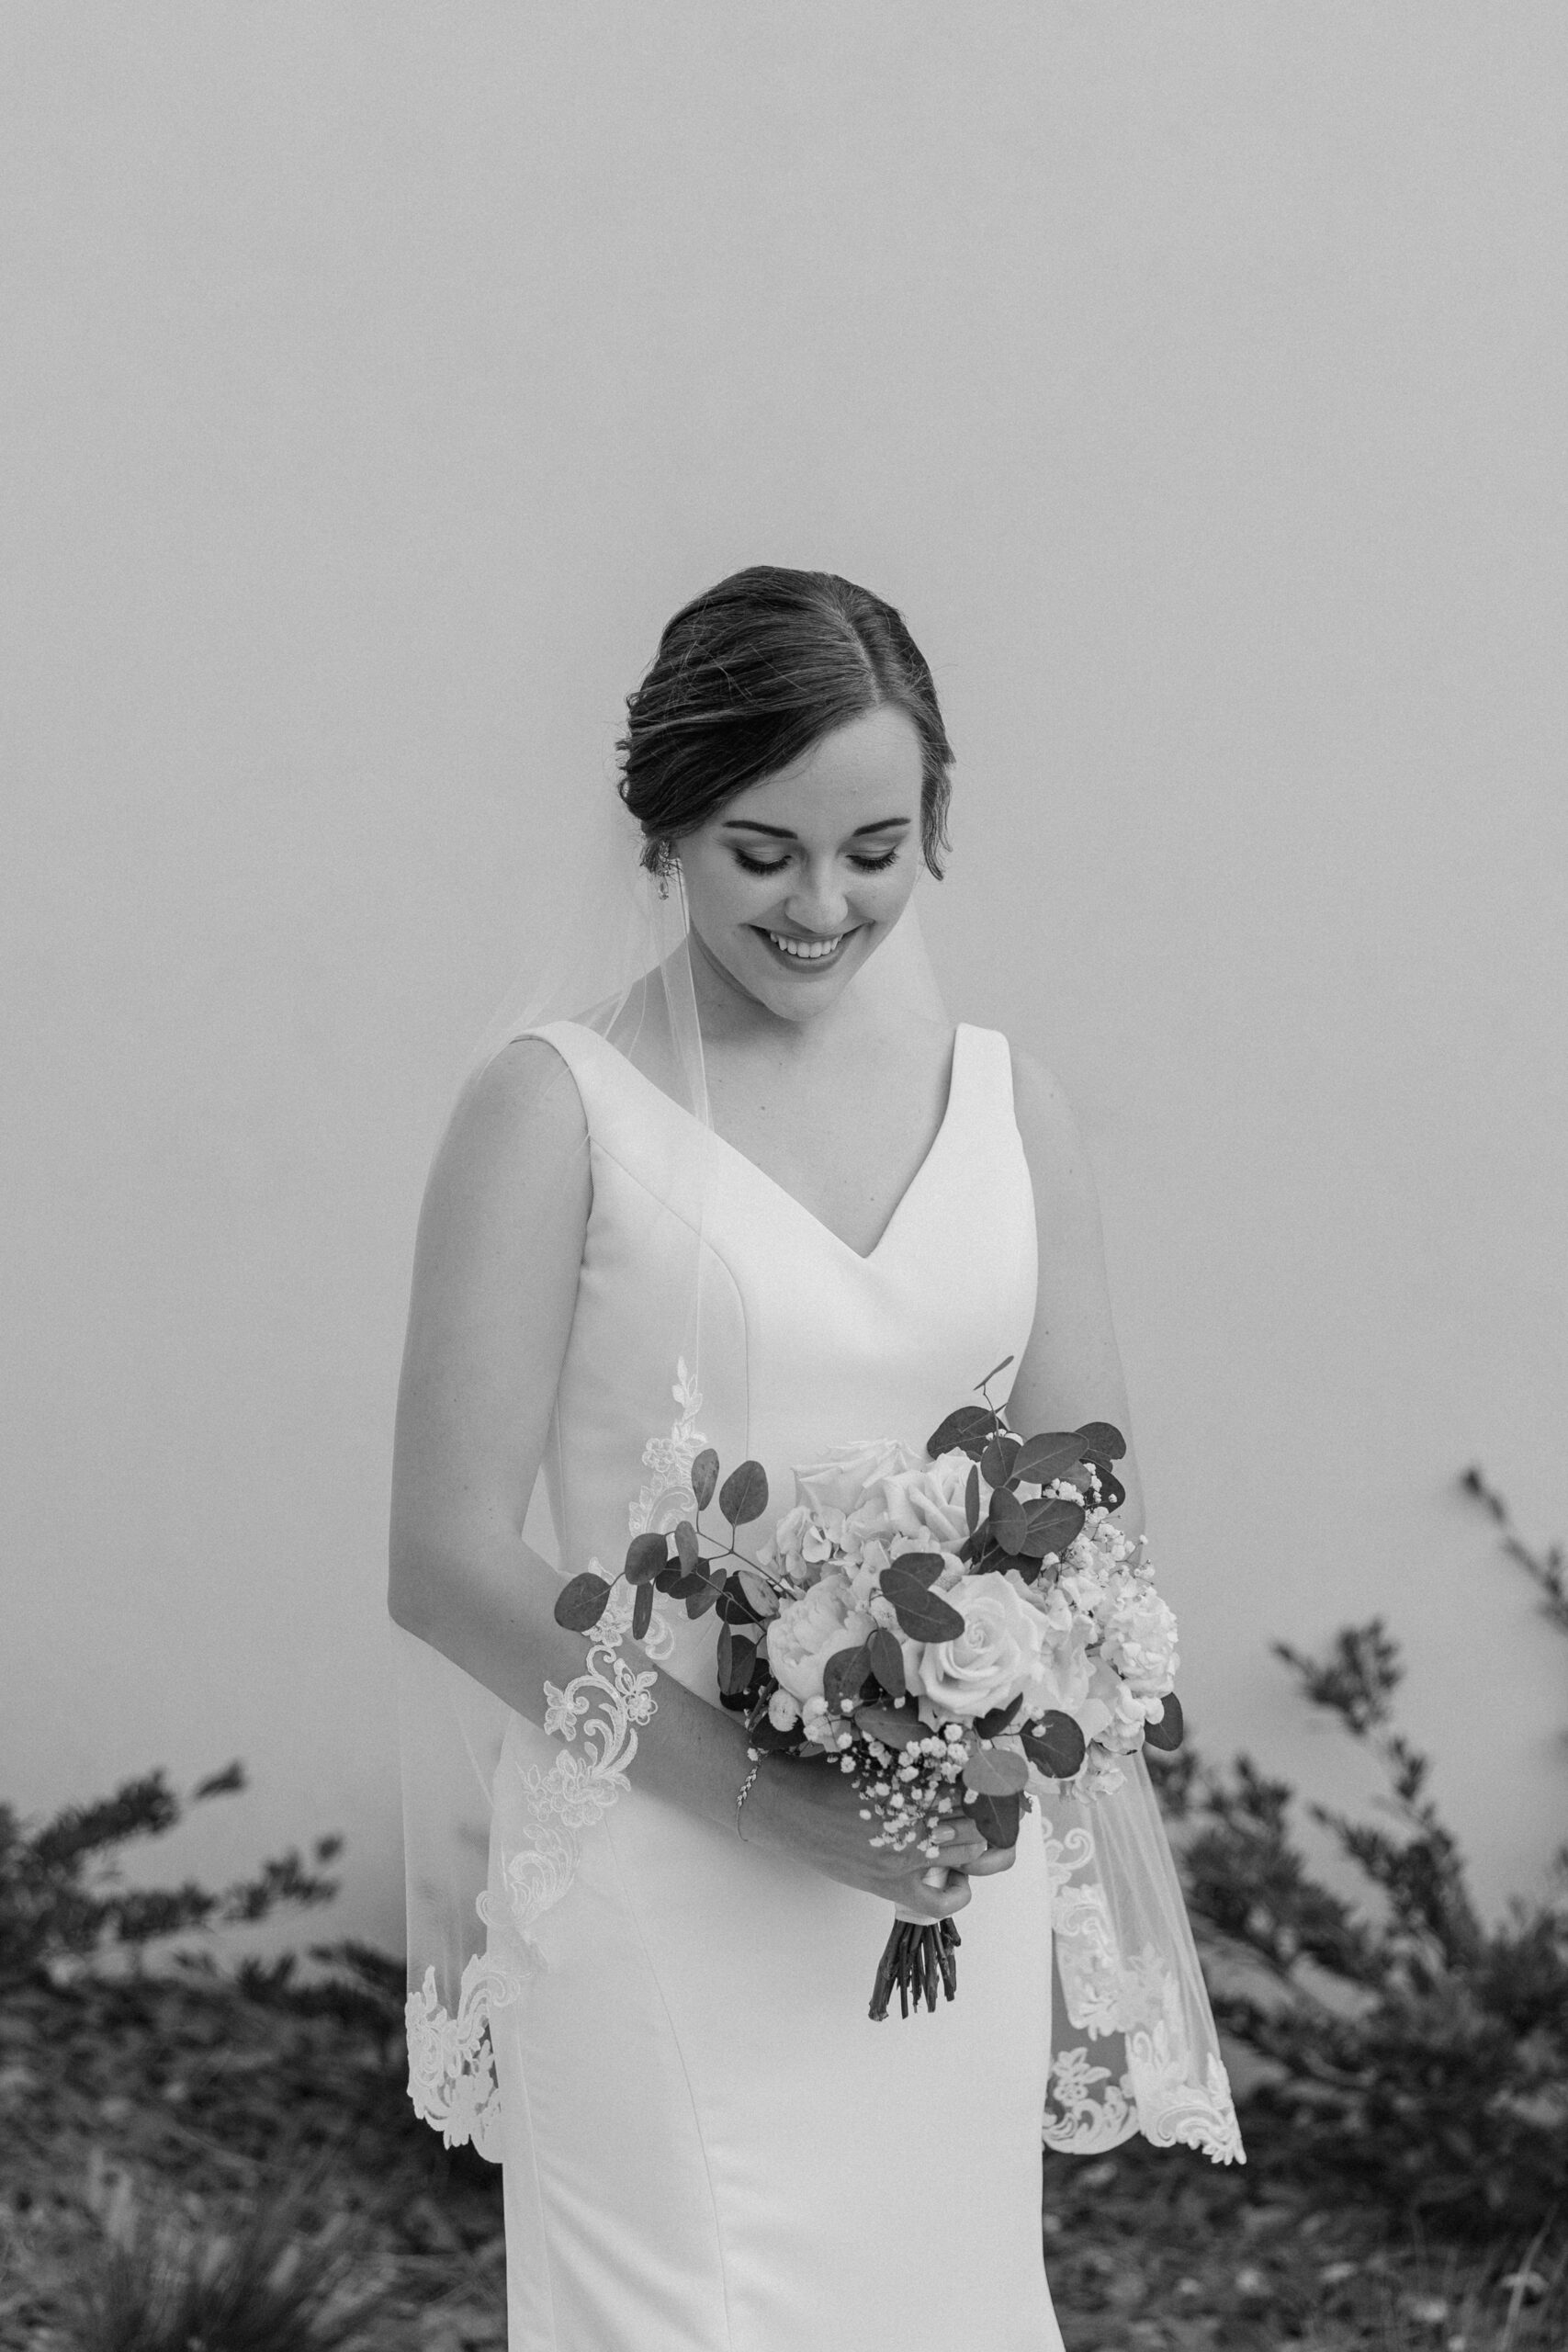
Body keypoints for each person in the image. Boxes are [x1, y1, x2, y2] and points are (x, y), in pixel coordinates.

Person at [389, 567, 1239, 2352]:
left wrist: (982, 1694)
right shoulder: (551, 1109)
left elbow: (1088, 1495)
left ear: (933, 816)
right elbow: (448, 1555)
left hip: (941, 1878)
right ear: (667, 827)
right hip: (659, 1881)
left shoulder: (1012, 1108)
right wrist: (773, 1792)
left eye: (874, 842)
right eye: (759, 849)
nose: (823, 900)